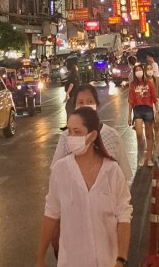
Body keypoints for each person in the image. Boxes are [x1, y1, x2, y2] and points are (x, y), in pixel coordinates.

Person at [37, 106, 132, 267]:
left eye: (77, 132)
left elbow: (123, 217)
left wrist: (121, 259)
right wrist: (40, 258)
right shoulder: (60, 171)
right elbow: (51, 214)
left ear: (92, 135)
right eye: (69, 132)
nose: (71, 137)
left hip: (107, 262)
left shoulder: (112, 171)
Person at [53, 84, 132, 181]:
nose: (85, 106)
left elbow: (123, 177)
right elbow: (56, 174)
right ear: (74, 107)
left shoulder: (112, 136)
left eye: (90, 102)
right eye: (80, 102)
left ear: (97, 105)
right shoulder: (65, 137)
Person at [127, 62, 158, 167]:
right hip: (137, 110)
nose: (138, 72)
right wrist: (129, 116)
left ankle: (149, 158)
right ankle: (141, 155)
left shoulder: (148, 83)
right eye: (136, 70)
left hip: (148, 109)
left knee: (149, 135)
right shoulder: (132, 85)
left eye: (140, 70)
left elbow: (154, 98)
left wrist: (157, 112)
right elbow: (130, 101)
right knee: (139, 134)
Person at [63, 57, 79, 127]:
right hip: (75, 94)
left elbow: (71, 84)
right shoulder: (74, 74)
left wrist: (67, 93)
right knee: (71, 108)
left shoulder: (73, 75)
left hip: (73, 95)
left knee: (69, 108)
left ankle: (69, 125)